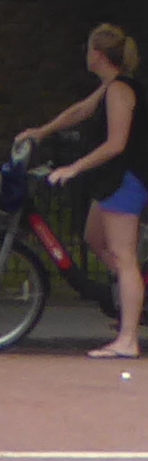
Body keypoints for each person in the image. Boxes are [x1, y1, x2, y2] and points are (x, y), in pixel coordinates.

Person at [32, 25, 142, 359]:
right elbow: (81, 110)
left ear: (98, 53)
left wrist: (74, 167)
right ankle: (130, 298)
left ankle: (128, 338)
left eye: (88, 48)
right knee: (94, 238)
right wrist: (42, 131)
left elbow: (116, 143)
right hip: (109, 181)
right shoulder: (109, 87)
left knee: (124, 258)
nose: (85, 54)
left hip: (126, 180)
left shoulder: (121, 90)